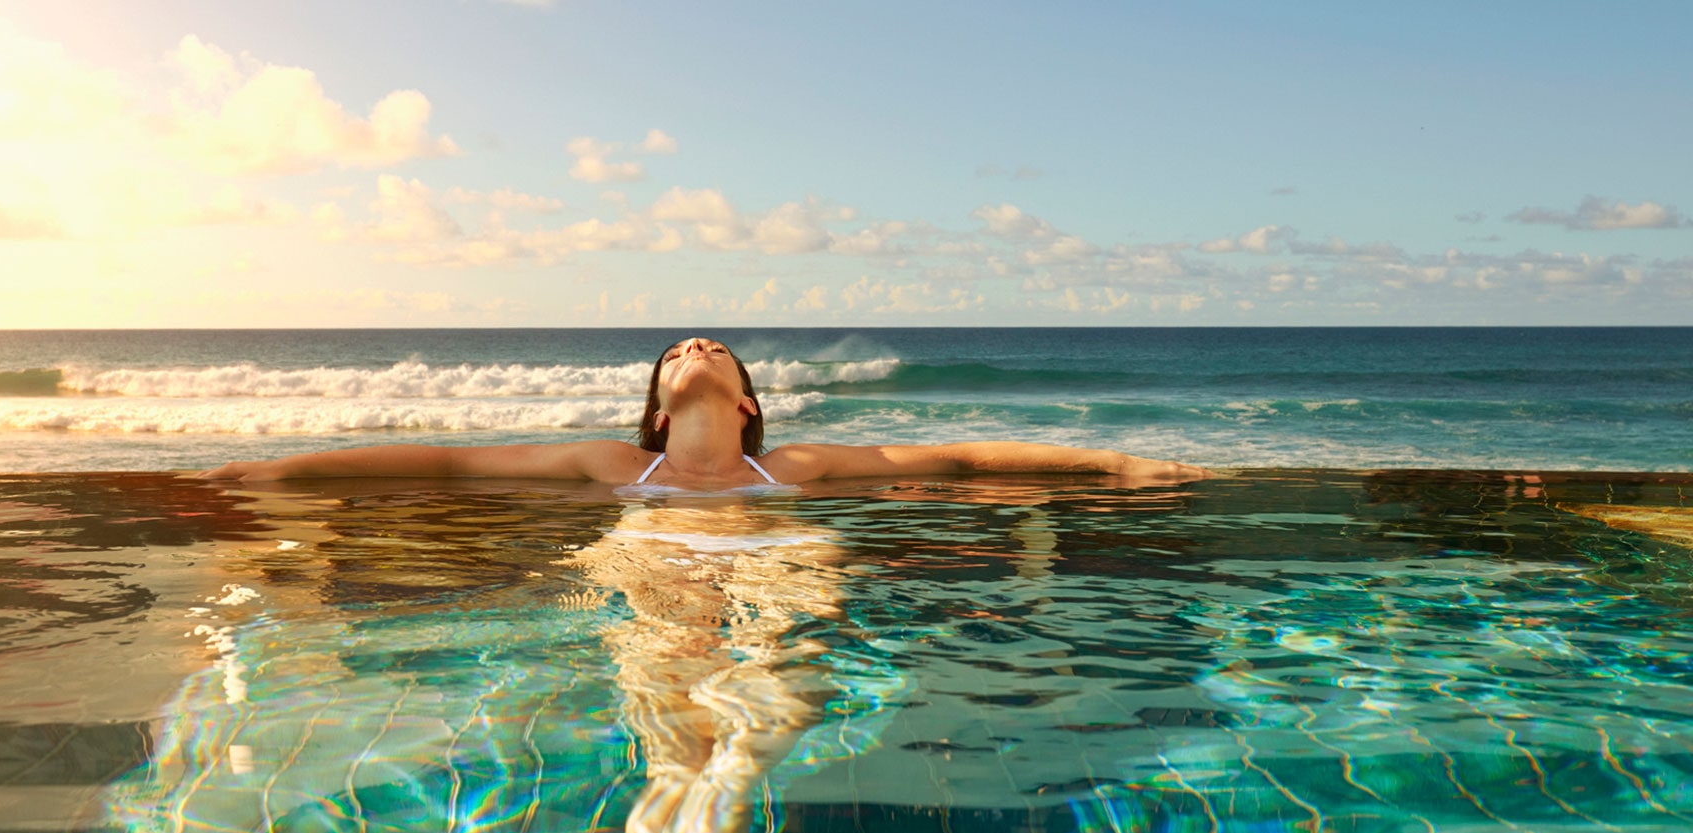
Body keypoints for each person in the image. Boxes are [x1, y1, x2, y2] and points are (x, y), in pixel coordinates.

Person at [199, 337, 1212, 488]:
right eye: (674, 351)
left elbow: (950, 455)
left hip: (773, 577)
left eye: (710, 347)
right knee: (674, 745)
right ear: (656, 405)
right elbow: (452, 464)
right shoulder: (610, 466)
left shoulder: (798, 467)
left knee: (747, 726)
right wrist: (289, 468)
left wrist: (1112, 465)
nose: (690, 349)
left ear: (745, 399)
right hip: (659, 579)